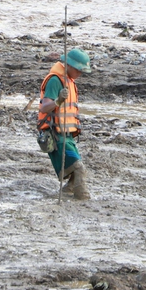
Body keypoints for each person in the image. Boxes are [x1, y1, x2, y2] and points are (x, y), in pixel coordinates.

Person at [37, 48, 93, 200]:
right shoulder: (56, 81)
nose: (80, 74)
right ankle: (83, 199)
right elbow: (44, 107)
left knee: (76, 173)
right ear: (69, 65)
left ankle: (67, 192)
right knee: (78, 168)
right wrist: (57, 101)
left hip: (67, 134)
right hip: (55, 134)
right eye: (79, 70)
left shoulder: (69, 81)